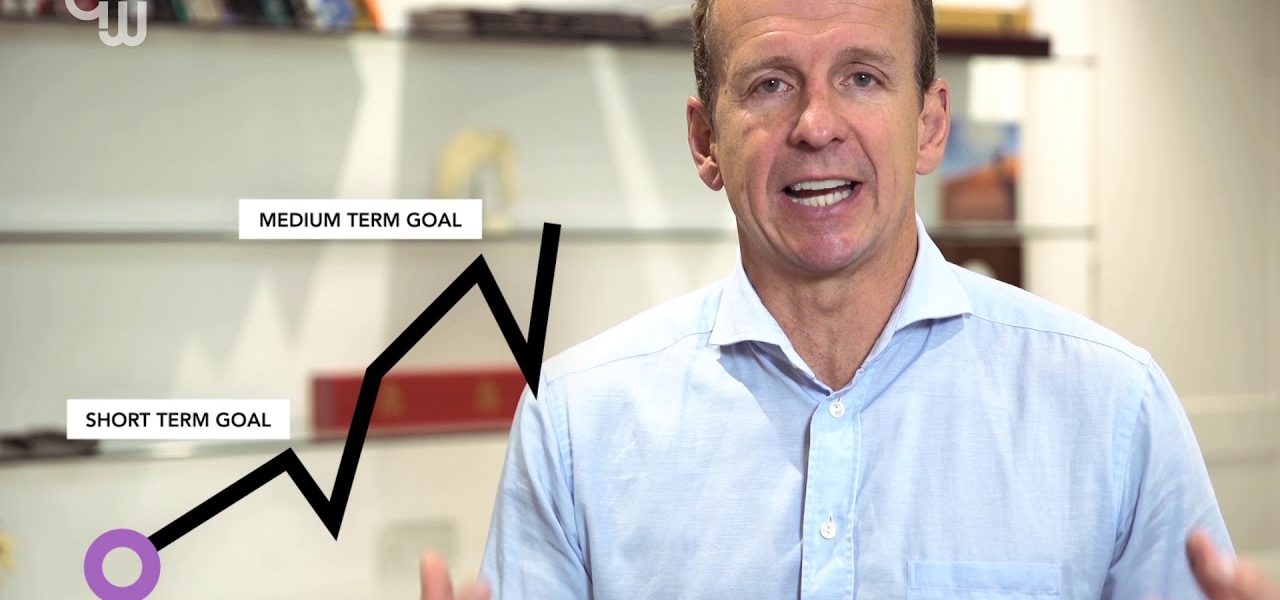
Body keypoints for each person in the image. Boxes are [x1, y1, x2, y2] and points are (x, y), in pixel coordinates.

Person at [419, 0, 1280, 597]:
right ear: (704, 140)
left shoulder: (1114, 408)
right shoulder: (577, 425)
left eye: (863, 77)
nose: (816, 125)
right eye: (770, 83)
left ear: (930, 125)